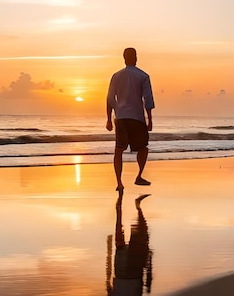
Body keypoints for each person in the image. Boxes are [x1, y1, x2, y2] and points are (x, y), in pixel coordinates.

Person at [106, 47, 155, 190]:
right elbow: (148, 99)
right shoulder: (143, 76)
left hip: (121, 117)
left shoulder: (116, 76)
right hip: (136, 118)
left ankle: (119, 183)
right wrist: (149, 119)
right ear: (135, 58)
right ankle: (139, 175)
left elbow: (109, 98)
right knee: (143, 148)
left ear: (124, 58)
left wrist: (109, 118)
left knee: (119, 150)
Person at [108, 191, 153, 296]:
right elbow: (109, 288)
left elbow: (109, 289)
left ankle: (126, 207)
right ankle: (127, 207)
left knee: (137, 234)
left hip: (128, 274)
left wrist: (149, 264)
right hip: (127, 273)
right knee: (134, 235)